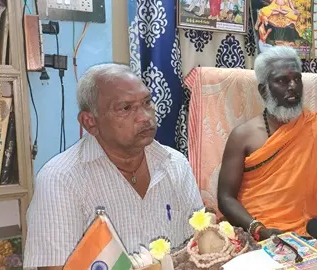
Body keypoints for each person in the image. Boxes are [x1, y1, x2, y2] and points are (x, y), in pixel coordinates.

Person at [23, 64, 204, 269]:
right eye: (125, 108)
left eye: (147, 102)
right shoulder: (60, 179)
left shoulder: (175, 164)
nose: (145, 116)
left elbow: (200, 245)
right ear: (90, 122)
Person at [217, 46, 317, 240]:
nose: (293, 86)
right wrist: (258, 229)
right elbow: (225, 198)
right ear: (264, 90)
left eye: (297, 79)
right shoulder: (243, 136)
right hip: (258, 231)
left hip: (309, 231)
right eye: (282, 80)